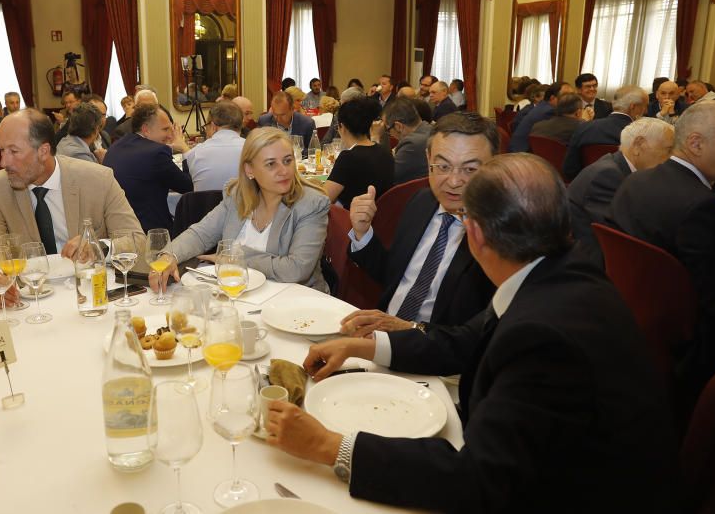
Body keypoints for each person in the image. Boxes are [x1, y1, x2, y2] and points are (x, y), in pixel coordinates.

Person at [265, 153, 678, 513]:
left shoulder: (544, 335)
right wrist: (365, 346)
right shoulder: (556, 272)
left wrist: (329, 446)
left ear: (474, 234)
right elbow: (467, 339)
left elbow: (480, 480)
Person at [612, 99, 715, 397]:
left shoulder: (636, 181)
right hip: (691, 359)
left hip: (632, 330)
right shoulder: (704, 207)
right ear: (696, 143)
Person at [341, 112, 498, 335]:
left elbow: (478, 336)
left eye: (470, 169)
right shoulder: (421, 202)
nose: (453, 182)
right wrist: (363, 233)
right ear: (428, 159)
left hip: (440, 359)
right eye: (443, 166)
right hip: (382, 333)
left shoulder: (500, 235)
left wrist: (410, 330)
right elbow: (393, 275)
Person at [0, 109, 144, 306]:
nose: (3, 162)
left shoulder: (98, 179)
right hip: (29, 299)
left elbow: (136, 240)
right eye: (2, 150)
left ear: (43, 151)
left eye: (13, 151)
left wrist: (98, 247)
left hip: (89, 294)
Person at [151, 127, 330, 292]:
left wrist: (235, 257)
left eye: (287, 160)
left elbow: (296, 269)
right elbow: (201, 234)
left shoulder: (311, 204)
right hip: (238, 296)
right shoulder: (238, 195)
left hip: (296, 303)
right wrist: (169, 255)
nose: (283, 171)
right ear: (249, 170)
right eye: (271, 164)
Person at [567, 117, 674, 266]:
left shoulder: (618, 168)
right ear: (639, 145)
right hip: (594, 263)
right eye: (668, 150)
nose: (671, 158)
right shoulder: (607, 176)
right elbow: (621, 236)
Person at [103, 103, 193, 232]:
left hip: (117, 229)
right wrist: (184, 149)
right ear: (146, 130)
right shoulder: (156, 153)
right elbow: (188, 186)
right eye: (165, 129)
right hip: (151, 232)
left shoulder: (116, 146)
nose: (170, 135)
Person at [563, 84, 648, 181]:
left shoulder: (584, 127)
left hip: (585, 185)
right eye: (645, 106)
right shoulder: (641, 136)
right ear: (633, 107)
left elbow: (569, 169)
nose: (646, 111)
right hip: (624, 190)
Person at [324, 99, 393, 208]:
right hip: (381, 217)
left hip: (352, 220)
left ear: (342, 127)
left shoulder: (348, 157)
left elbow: (324, 200)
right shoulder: (386, 152)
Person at [184, 101, 245, 191]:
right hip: (243, 205)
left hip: (205, 205)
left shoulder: (195, 153)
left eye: (206, 127)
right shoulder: (252, 149)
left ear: (213, 126)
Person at [381, 98, 432, 184]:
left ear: (398, 126)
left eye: (387, 129)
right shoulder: (430, 128)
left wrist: (375, 137)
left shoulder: (411, 144)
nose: (389, 133)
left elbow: (384, 176)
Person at [510, 82, 571, 153]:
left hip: (520, 151)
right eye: (567, 96)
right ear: (553, 98)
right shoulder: (549, 111)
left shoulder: (542, 107)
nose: (571, 99)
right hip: (523, 156)